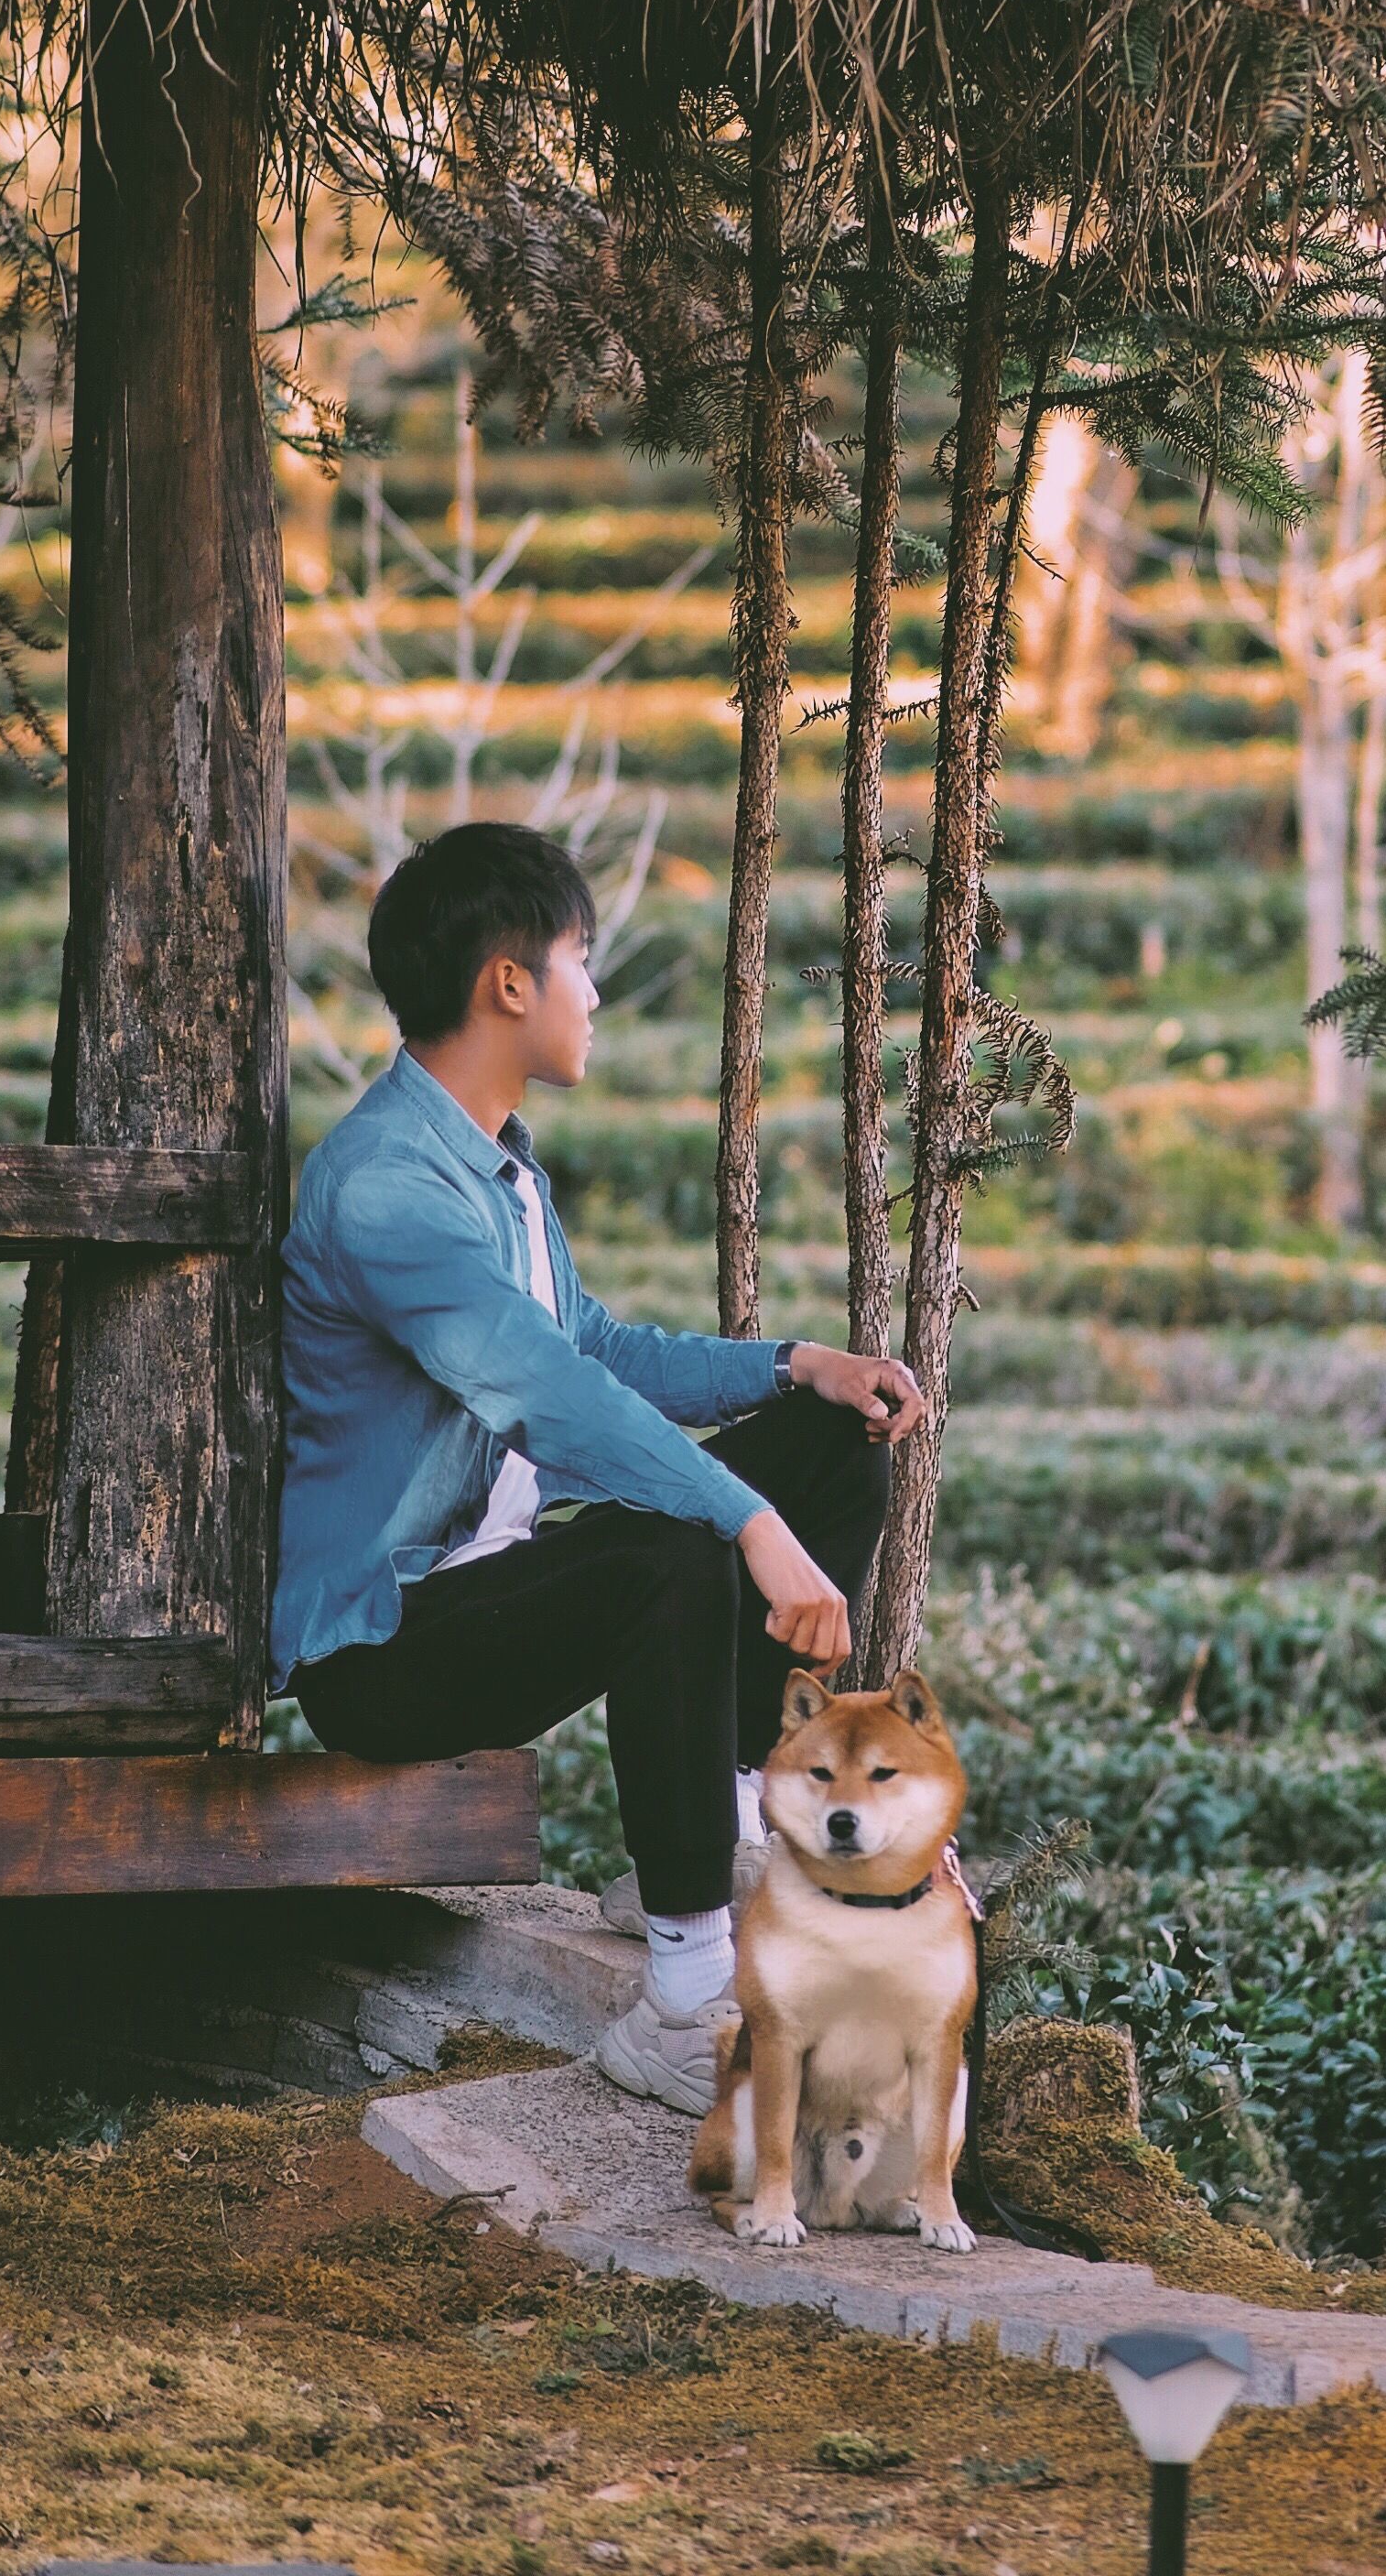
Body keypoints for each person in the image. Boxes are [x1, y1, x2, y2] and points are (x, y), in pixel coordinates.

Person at [271, 821, 925, 2112]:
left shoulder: (502, 1170)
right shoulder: (387, 1187)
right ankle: (684, 2001)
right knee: (669, 1548)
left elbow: (601, 1347)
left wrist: (798, 1368)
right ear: (508, 983)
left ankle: (723, 1830)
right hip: (384, 1649)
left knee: (835, 1451)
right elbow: (551, 1395)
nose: (596, 993)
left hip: (497, 1586)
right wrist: (747, 1524)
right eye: (581, 959)